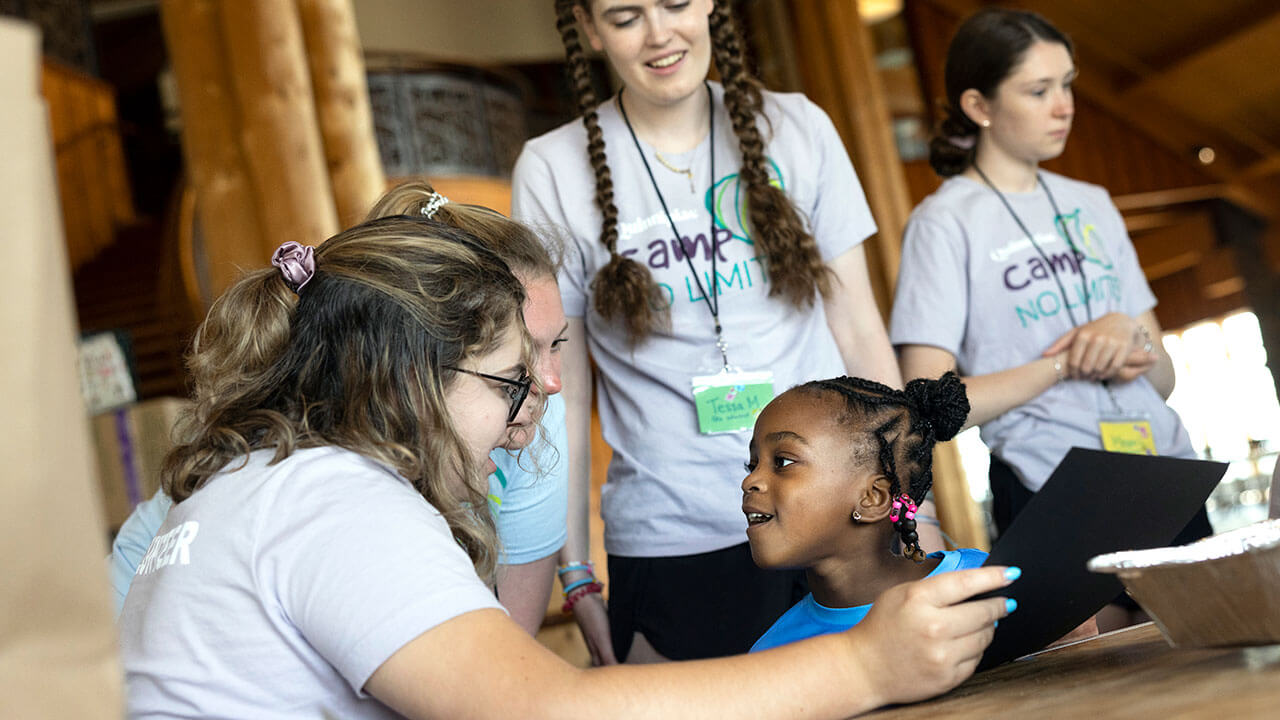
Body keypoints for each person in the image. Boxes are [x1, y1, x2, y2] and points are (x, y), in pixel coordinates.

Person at [117, 190, 1019, 719]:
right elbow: (543, 712)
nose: (544, 397)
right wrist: (864, 666)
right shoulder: (332, 501)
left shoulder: (255, 482)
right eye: (515, 375)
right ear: (408, 375)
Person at [512, 0, 927, 665]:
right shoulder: (552, 168)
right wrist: (577, 572)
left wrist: (911, 505)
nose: (659, 32)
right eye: (624, 16)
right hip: (672, 539)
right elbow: (563, 388)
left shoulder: (798, 127)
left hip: (838, 518)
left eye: (676, 3)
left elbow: (860, 330)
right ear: (589, 30)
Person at [108, 182, 570, 634]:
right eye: (517, 364)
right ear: (419, 367)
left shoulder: (349, 468)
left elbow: (498, 664)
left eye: (558, 345)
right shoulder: (339, 491)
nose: (549, 382)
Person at [889, 8, 1211, 625]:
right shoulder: (945, 221)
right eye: (1039, 91)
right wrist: (1062, 365)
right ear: (979, 106)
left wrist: (1129, 339)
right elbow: (925, 404)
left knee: (1214, 672)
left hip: (1167, 476)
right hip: (1058, 490)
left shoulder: (1093, 204)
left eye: (1066, 84)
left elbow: (1164, 379)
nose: (1063, 105)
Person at [744, 373, 990, 652]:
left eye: (783, 461)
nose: (750, 481)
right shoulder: (772, 654)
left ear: (873, 498)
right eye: (751, 465)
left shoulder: (984, 583)